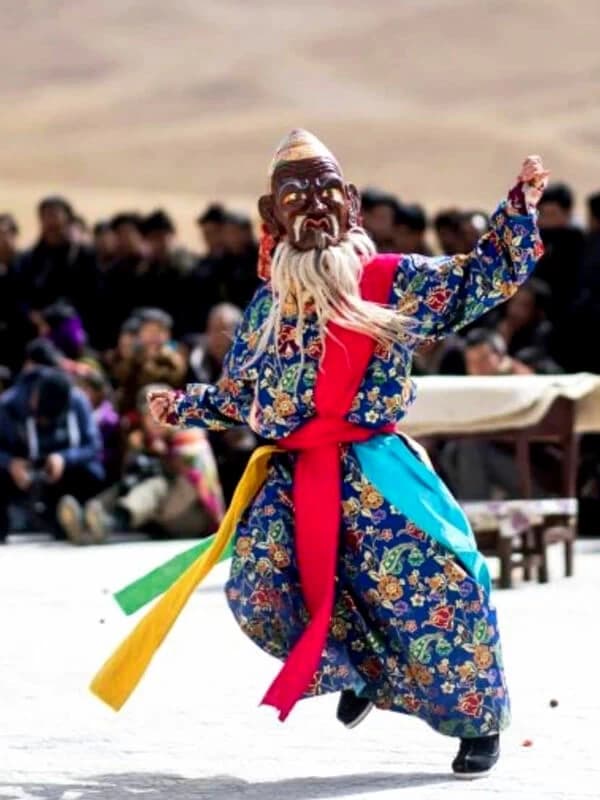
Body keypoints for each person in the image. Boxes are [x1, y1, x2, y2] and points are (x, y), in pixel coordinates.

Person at [92, 130, 548, 779]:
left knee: (441, 577)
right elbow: (241, 397)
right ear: (271, 215)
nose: (315, 205)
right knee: (260, 589)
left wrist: (519, 209)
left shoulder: (390, 282)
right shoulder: (267, 307)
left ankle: (477, 722)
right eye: (296, 195)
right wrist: (184, 405)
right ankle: (355, 668)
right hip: (295, 479)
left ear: (352, 203)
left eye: (327, 190)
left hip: (375, 467)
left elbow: (480, 277)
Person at [59, 385, 224, 544]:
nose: (154, 421)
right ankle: (87, 517)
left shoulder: (189, 435)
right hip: (164, 514)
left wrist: (163, 456)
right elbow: (130, 472)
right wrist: (138, 452)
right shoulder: (148, 440)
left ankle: (110, 522)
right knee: (130, 482)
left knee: (155, 485)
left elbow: (194, 483)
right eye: (149, 415)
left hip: (193, 517)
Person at [0, 367, 104, 542]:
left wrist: (64, 458)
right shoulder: (9, 405)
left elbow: (93, 445)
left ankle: (79, 521)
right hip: (24, 473)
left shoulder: (77, 401)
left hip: (64, 476)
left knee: (92, 472)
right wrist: (10, 463)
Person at [186, 303, 257, 501]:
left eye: (223, 329)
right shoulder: (196, 361)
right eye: (212, 329)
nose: (216, 336)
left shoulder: (252, 359)